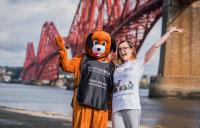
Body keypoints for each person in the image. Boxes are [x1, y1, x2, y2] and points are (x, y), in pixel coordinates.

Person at [111, 27, 184, 128]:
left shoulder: (138, 63)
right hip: (116, 108)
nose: (122, 51)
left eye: (125, 48)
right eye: (120, 49)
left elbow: (155, 45)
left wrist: (169, 32)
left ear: (132, 50)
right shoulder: (116, 67)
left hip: (131, 107)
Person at [55, 30, 116, 128]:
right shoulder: (81, 59)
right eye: (96, 43)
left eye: (103, 44)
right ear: (89, 43)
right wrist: (62, 50)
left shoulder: (111, 66)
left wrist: (111, 110)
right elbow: (67, 66)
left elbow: (111, 89)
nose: (99, 47)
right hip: (82, 104)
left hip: (100, 107)